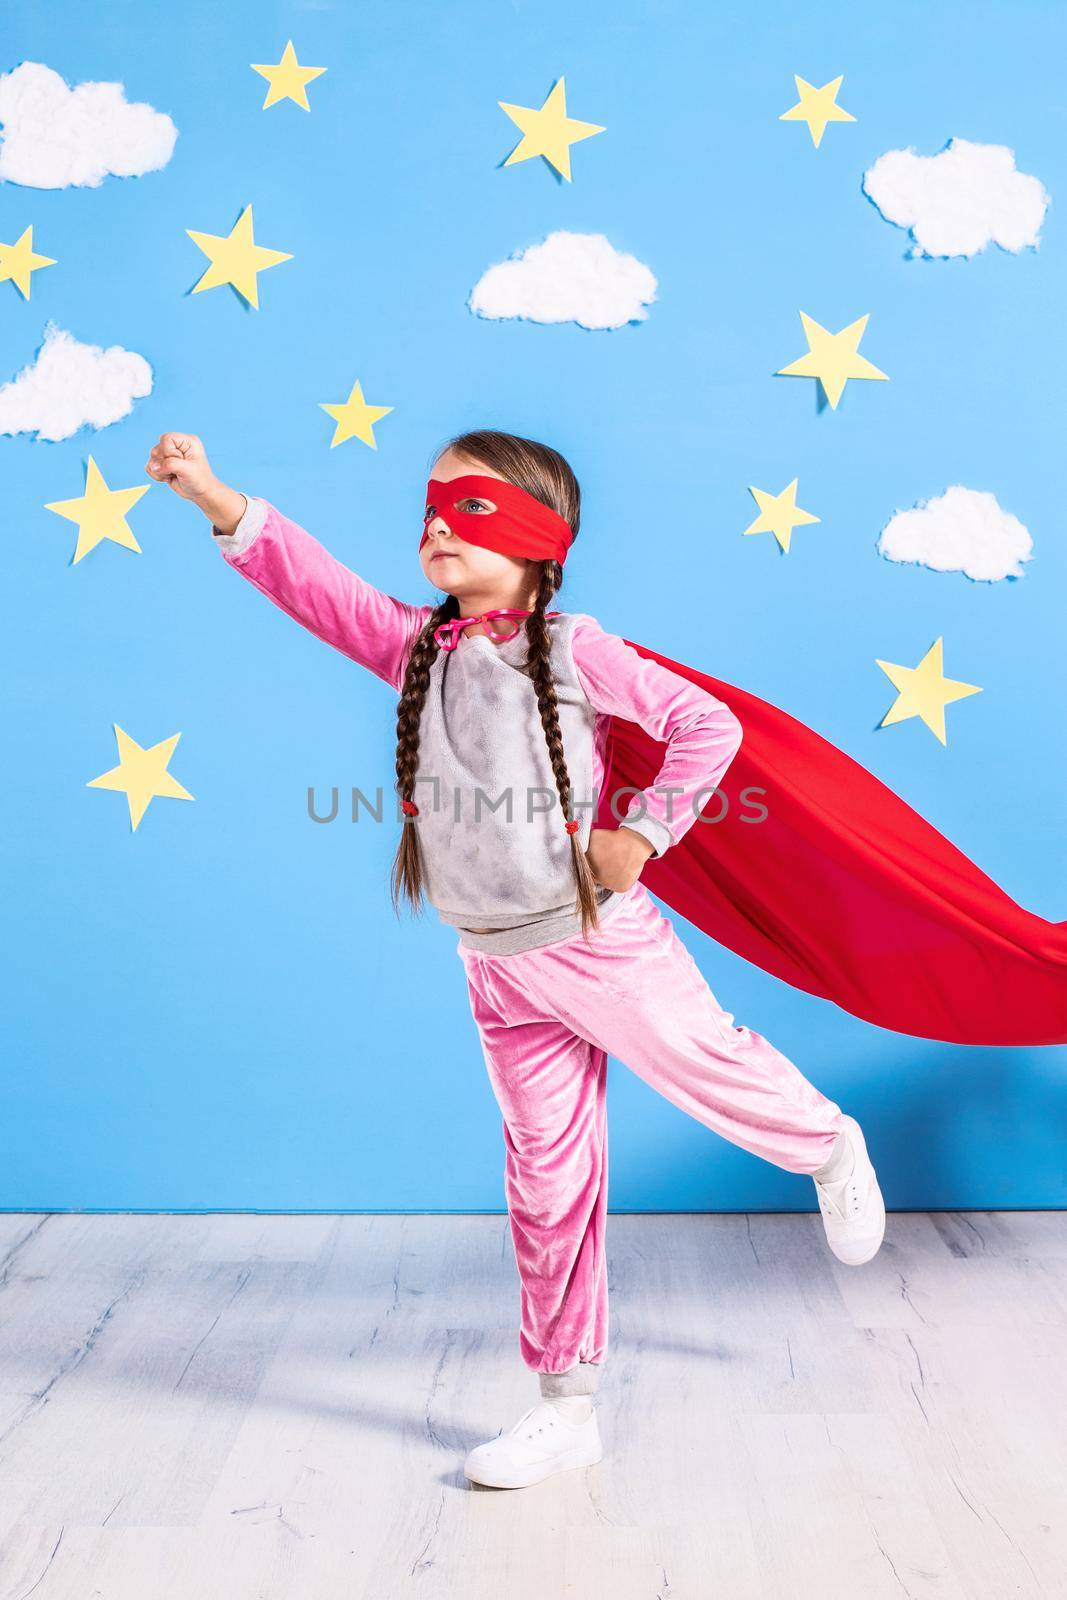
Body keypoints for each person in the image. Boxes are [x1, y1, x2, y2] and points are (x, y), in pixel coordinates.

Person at [144, 426, 886, 1491]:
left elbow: (704, 725)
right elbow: (311, 585)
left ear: (540, 537)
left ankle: (824, 1143)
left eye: (470, 508)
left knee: (712, 1069)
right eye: (430, 508)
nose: (438, 525)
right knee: (544, 1184)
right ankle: (564, 1405)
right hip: (492, 962)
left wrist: (641, 833)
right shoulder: (414, 646)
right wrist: (212, 494)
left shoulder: (574, 646)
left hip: (596, 942)